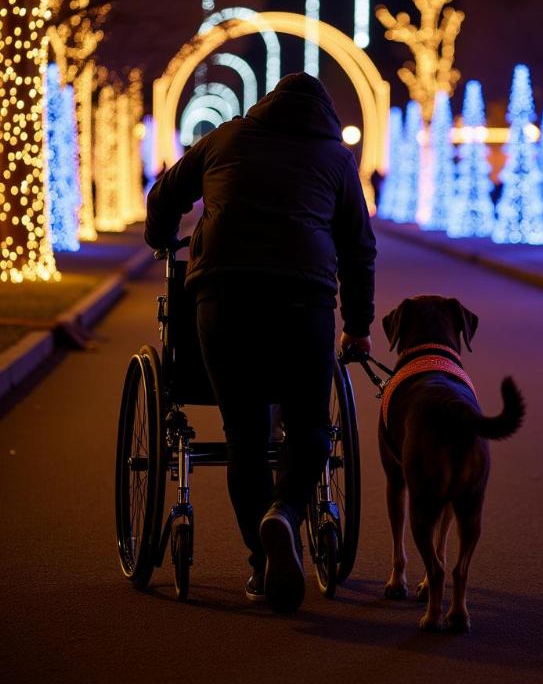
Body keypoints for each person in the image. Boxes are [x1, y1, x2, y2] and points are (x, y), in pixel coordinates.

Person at [145, 72, 376, 613]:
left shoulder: (224, 139)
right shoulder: (337, 161)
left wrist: (162, 240)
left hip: (225, 298)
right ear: (324, 115)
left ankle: (260, 562)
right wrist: (359, 326)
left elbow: (167, 194)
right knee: (312, 425)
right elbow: (359, 249)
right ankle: (287, 514)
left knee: (245, 436)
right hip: (305, 301)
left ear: (266, 104)